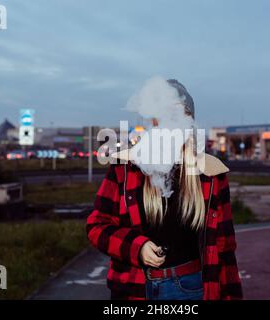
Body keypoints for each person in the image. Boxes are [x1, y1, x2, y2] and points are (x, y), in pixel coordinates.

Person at [86, 79, 242, 300]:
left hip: (192, 289)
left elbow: (224, 247)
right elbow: (97, 225)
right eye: (163, 114)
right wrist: (136, 247)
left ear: (190, 121)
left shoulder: (210, 173)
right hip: (134, 290)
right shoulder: (126, 167)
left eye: (177, 113)